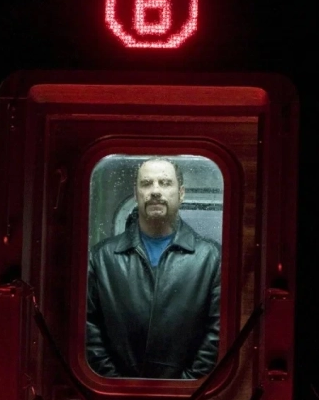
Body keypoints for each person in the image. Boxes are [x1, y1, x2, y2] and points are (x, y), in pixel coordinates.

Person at [86, 158, 221, 379]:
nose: (155, 191)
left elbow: (217, 331)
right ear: (136, 193)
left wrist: (186, 386)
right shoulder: (102, 258)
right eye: (147, 183)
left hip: (189, 394)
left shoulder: (211, 258)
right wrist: (116, 384)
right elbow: (88, 329)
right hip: (115, 392)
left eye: (165, 183)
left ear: (181, 193)